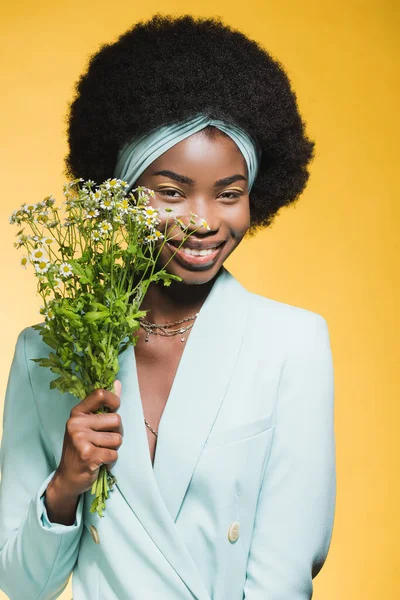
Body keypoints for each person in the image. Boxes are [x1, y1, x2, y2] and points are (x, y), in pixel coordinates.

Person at [0, 14, 336, 600]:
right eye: (172, 192)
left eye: (229, 194)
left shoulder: (292, 345)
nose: (204, 219)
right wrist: (65, 486)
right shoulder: (45, 354)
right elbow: (22, 585)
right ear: (121, 192)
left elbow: (284, 576)